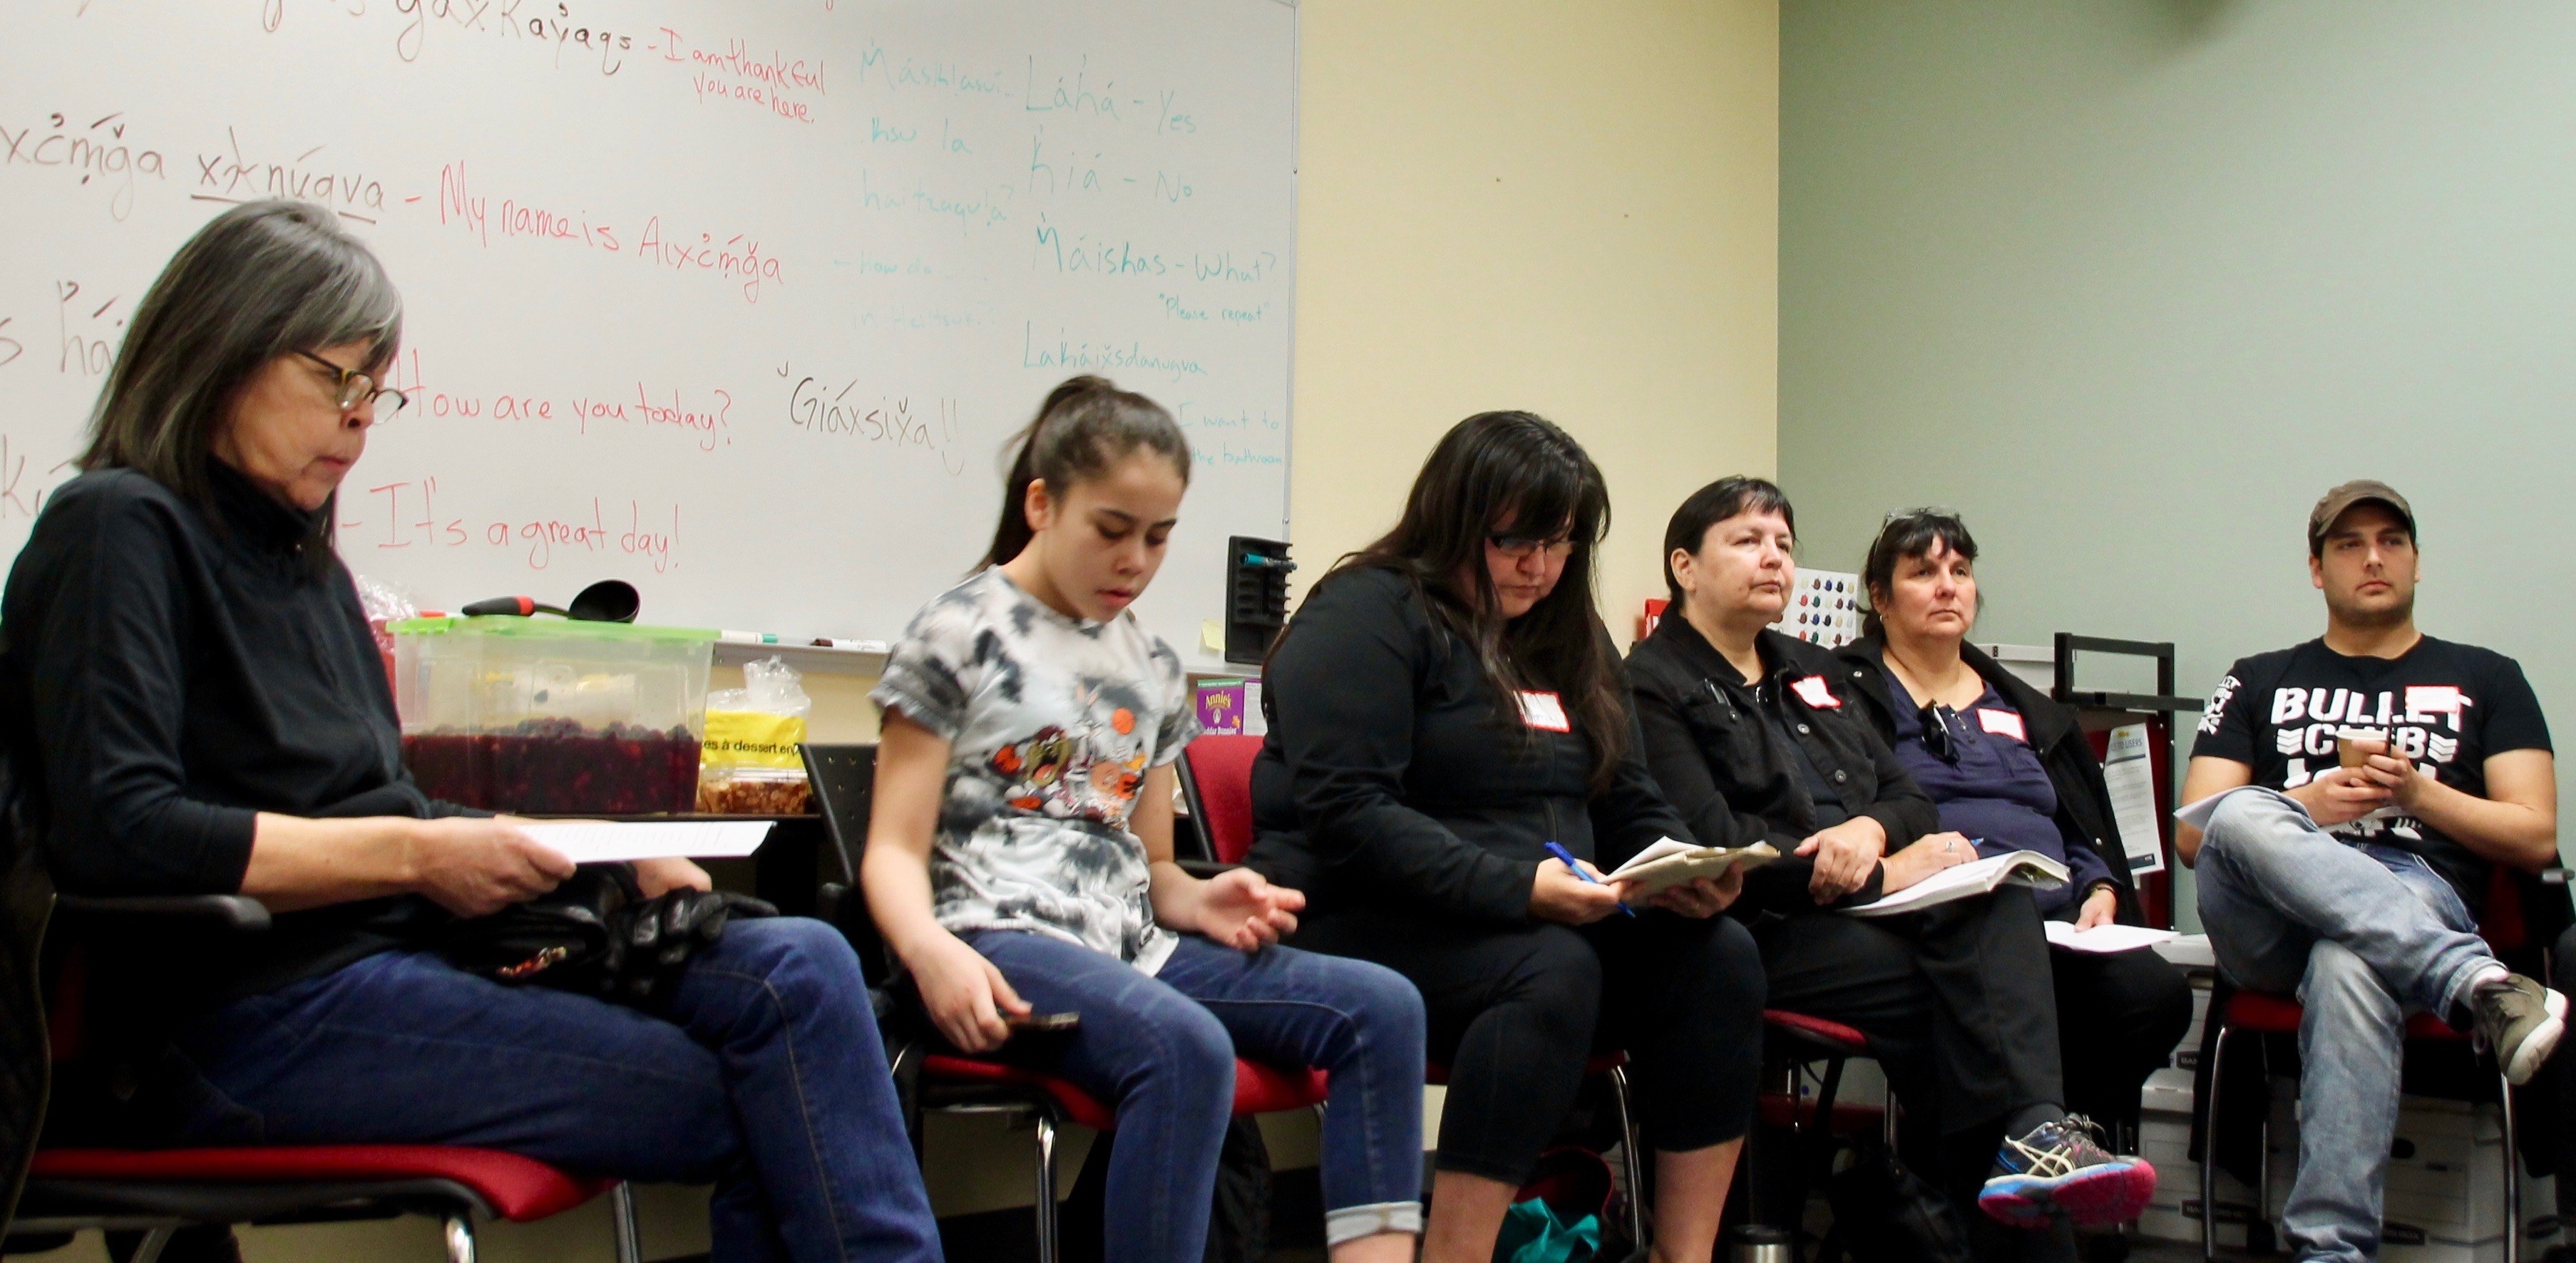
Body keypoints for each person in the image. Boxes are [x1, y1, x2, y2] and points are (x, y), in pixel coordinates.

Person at [0, 201, 943, 1262]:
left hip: (388, 961)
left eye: (376, 390)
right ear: (222, 349)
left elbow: (381, 798)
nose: (361, 417)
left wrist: (610, 863)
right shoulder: (116, 530)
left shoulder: (303, 566)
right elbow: (118, 831)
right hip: (237, 1015)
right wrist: (419, 854)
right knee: (769, 1104)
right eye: (336, 380)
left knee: (804, 967)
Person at [861, 376, 1426, 1263]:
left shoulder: (1155, 667)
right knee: (1186, 1046)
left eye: (1159, 536)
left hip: (1128, 944)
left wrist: (1203, 900)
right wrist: (930, 951)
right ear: (1043, 504)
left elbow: (1152, 867)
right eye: (1112, 530)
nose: (1135, 560)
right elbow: (891, 850)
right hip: (993, 938)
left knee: (1383, 1006)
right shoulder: (959, 630)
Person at [1246, 411, 1765, 1263]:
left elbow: (1624, 789)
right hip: (1364, 908)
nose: (1539, 567)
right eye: (1515, 542)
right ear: (1453, 518)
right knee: (1550, 968)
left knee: (1720, 955)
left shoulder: (1565, 628)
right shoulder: (1367, 610)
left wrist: (1678, 863)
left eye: (1562, 546)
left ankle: (1684, 1253)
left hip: (1536, 914)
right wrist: (1519, 886)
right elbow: (1349, 813)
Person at [1625, 476, 2156, 1249]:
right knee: (1963, 1003)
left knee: (1998, 901)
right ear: (1684, 566)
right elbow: (1713, 842)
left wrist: (1874, 830)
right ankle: (2027, 1162)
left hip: (1864, 910)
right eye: (1747, 541)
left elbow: (1906, 793)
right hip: (1756, 925)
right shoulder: (1650, 682)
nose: (1773, 559)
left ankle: (2030, 1141)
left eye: (1783, 544)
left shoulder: (1810, 668)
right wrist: (1888, 871)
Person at [2178, 479, 2564, 1263]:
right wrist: (2310, 804)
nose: (2373, 557)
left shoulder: (2487, 676)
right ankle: (2479, 985)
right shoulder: (2258, 676)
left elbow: (2533, 833)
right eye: (2348, 544)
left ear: (2418, 561)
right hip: (2267, 920)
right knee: (2244, 811)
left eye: (2390, 539)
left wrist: (2419, 791)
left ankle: (2331, 1250)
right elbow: (2195, 832)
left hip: (2411, 885)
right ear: (2317, 570)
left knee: (2349, 956)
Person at [1836, 508, 2191, 1148]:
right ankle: (2010, 1156)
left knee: (2154, 995)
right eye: (1923, 572)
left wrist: (2099, 889)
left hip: (2057, 922)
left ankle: (2052, 1138)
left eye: (1960, 570)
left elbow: (2076, 822)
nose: (1948, 586)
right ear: (1881, 598)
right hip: (1943, 921)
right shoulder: (1849, 695)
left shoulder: (2023, 706)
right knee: (2004, 1000)